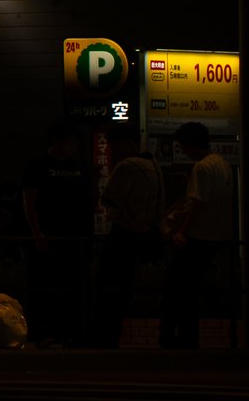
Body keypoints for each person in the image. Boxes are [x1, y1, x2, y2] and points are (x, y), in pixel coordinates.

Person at [21, 120, 95, 346]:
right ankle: (45, 333)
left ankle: (72, 332)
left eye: (71, 142)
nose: (68, 146)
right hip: (48, 237)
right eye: (65, 141)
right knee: (46, 286)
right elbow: (29, 200)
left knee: (74, 287)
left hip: (74, 236)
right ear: (54, 142)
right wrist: (37, 232)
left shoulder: (81, 167)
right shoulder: (39, 165)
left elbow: (90, 199)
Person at [163, 121, 235, 349]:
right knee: (187, 287)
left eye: (183, 147)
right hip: (218, 235)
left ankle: (181, 337)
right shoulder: (222, 164)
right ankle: (186, 337)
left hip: (200, 236)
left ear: (191, 145)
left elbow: (198, 205)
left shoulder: (201, 168)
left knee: (179, 286)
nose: (183, 152)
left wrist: (182, 231)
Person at [96, 124, 161, 349]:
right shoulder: (154, 165)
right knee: (123, 290)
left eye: (115, 145)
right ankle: (111, 335)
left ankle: (105, 336)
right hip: (142, 237)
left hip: (122, 235)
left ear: (126, 144)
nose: (113, 150)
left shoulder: (127, 166)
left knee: (108, 289)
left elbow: (109, 201)